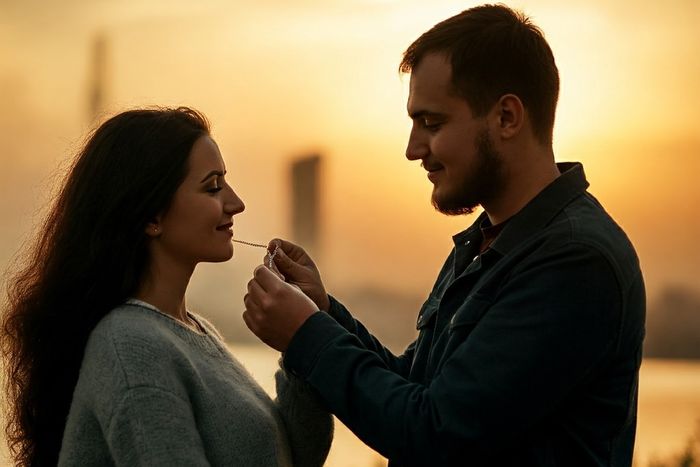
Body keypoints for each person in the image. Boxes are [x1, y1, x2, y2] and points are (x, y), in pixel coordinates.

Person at [243, 4, 645, 467]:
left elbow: (436, 433)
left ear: (508, 118)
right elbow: (417, 389)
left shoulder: (575, 261)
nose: (413, 149)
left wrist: (305, 335)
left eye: (432, 123)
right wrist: (325, 313)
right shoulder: (485, 243)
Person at [1, 107, 332, 466]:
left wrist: (302, 336)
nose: (237, 204)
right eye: (213, 187)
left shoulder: (194, 331)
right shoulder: (130, 344)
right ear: (152, 217)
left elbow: (296, 455)